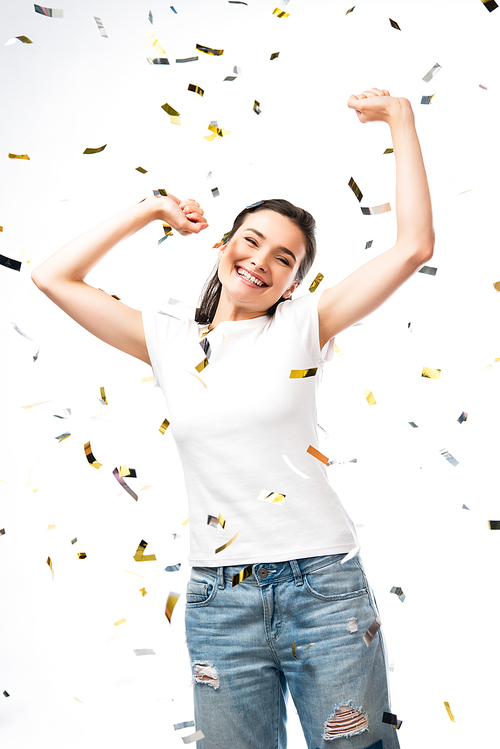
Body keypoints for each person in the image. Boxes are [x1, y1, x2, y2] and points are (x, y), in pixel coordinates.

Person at [32, 88, 433, 749]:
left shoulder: (307, 323)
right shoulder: (167, 340)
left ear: (294, 282)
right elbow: (53, 277)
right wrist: (150, 208)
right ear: (223, 243)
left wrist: (401, 120)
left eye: (285, 258)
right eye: (252, 241)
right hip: (222, 601)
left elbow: (413, 246)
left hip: (323, 586)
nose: (263, 260)